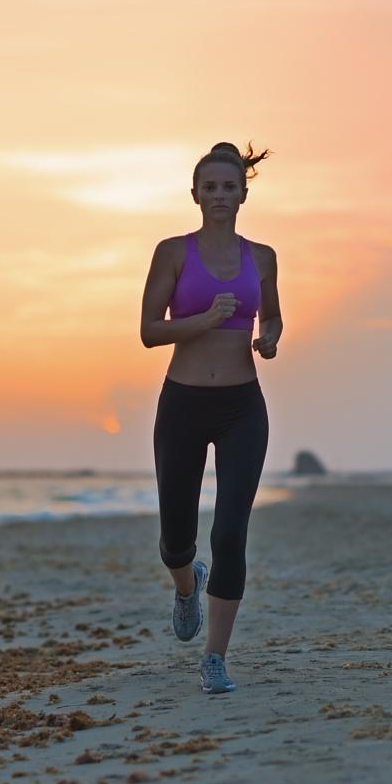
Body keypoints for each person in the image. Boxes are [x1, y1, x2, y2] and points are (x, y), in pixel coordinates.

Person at [139, 141, 282, 694]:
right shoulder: (173, 252)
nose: (220, 195)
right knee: (176, 538)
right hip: (183, 403)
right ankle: (185, 584)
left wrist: (268, 338)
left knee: (231, 533)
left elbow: (271, 316)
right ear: (195, 194)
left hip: (243, 407)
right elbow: (150, 331)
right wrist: (202, 320)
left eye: (230, 186)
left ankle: (215, 657)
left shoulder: (263, 256)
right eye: (211, 187)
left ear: (244, 193)